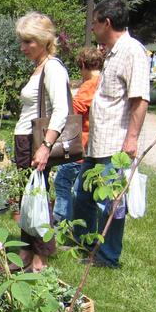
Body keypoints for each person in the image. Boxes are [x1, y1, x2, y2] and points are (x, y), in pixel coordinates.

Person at [73, 0, 150, 268]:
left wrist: (132, 139)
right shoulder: (113, 52)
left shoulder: (132, 51)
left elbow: (140, 99)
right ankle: (86, 246)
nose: (92, 28)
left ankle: (108, 257)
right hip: (97, 143)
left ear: (107, 23)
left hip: (115, 144)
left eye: (94, 23)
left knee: (111, 204)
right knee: (82, 196)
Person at [13, 12, 71, 272]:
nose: (23, 47)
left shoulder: (53, 68)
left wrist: (45, 146)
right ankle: (27, 251)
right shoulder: (39, 67)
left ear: (45, 40)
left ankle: (41, 258)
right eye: (22, 41)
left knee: (38, 198)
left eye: (29, 41)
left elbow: (61, 110)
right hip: (26, 140)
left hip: (36, 141)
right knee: (28, 198)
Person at [53, 47, 104, 224]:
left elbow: (74, 110)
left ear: (83, 64)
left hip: (80, 146)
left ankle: (62, 224)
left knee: (62, 182)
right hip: (93, 145)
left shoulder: (90, 84)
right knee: (83, 191)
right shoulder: (103, 82)